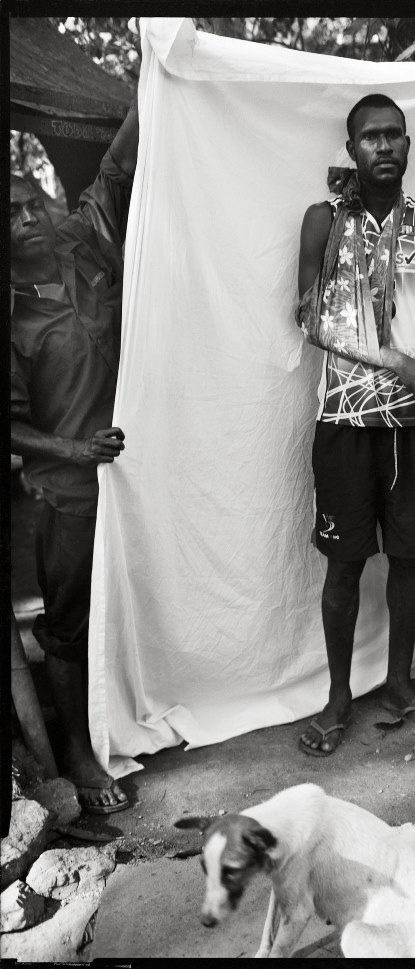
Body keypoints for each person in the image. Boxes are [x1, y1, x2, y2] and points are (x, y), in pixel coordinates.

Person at [296, 93, 415, 755]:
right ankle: (339, 696)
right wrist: (396, 360)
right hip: (343, 416)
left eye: (395, 134)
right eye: (371, 136)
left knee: (408, 558)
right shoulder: (324, 222)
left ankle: (399, 683)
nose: (385, 145)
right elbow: (308, 319)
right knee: (343, 566)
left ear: (409, 144)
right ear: (352, 147)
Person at [10, 100, 140, 811]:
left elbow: (117, 166)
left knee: (128, 606)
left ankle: (122, 723)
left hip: (132, 475)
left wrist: (156, 68)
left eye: (32, 204)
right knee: (67, 622)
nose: (26, 220)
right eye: (11, 214)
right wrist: (73, 449)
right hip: (67, 489)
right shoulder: (14, 311)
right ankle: (79, 757)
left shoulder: (83, 242)